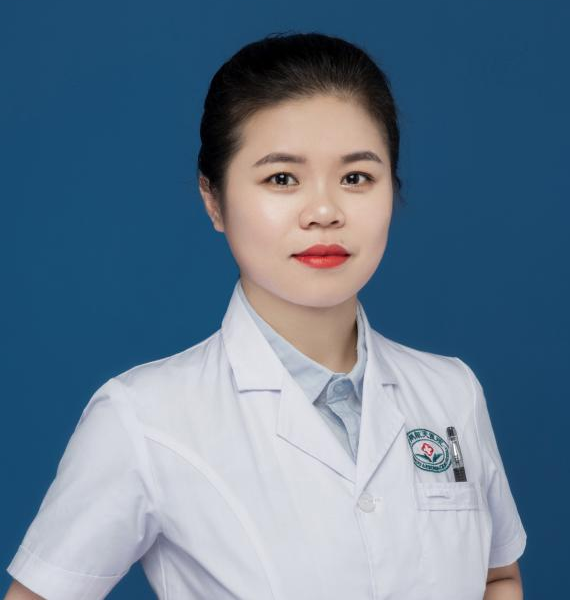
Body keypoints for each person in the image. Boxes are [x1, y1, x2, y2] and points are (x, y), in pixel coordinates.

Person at [4, 32, 526, 600]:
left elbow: (497, 576)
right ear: (214, 200)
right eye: (282, 178)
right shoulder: (143, 417)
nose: (324, 211)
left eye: (356, 177)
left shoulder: (451, 392)